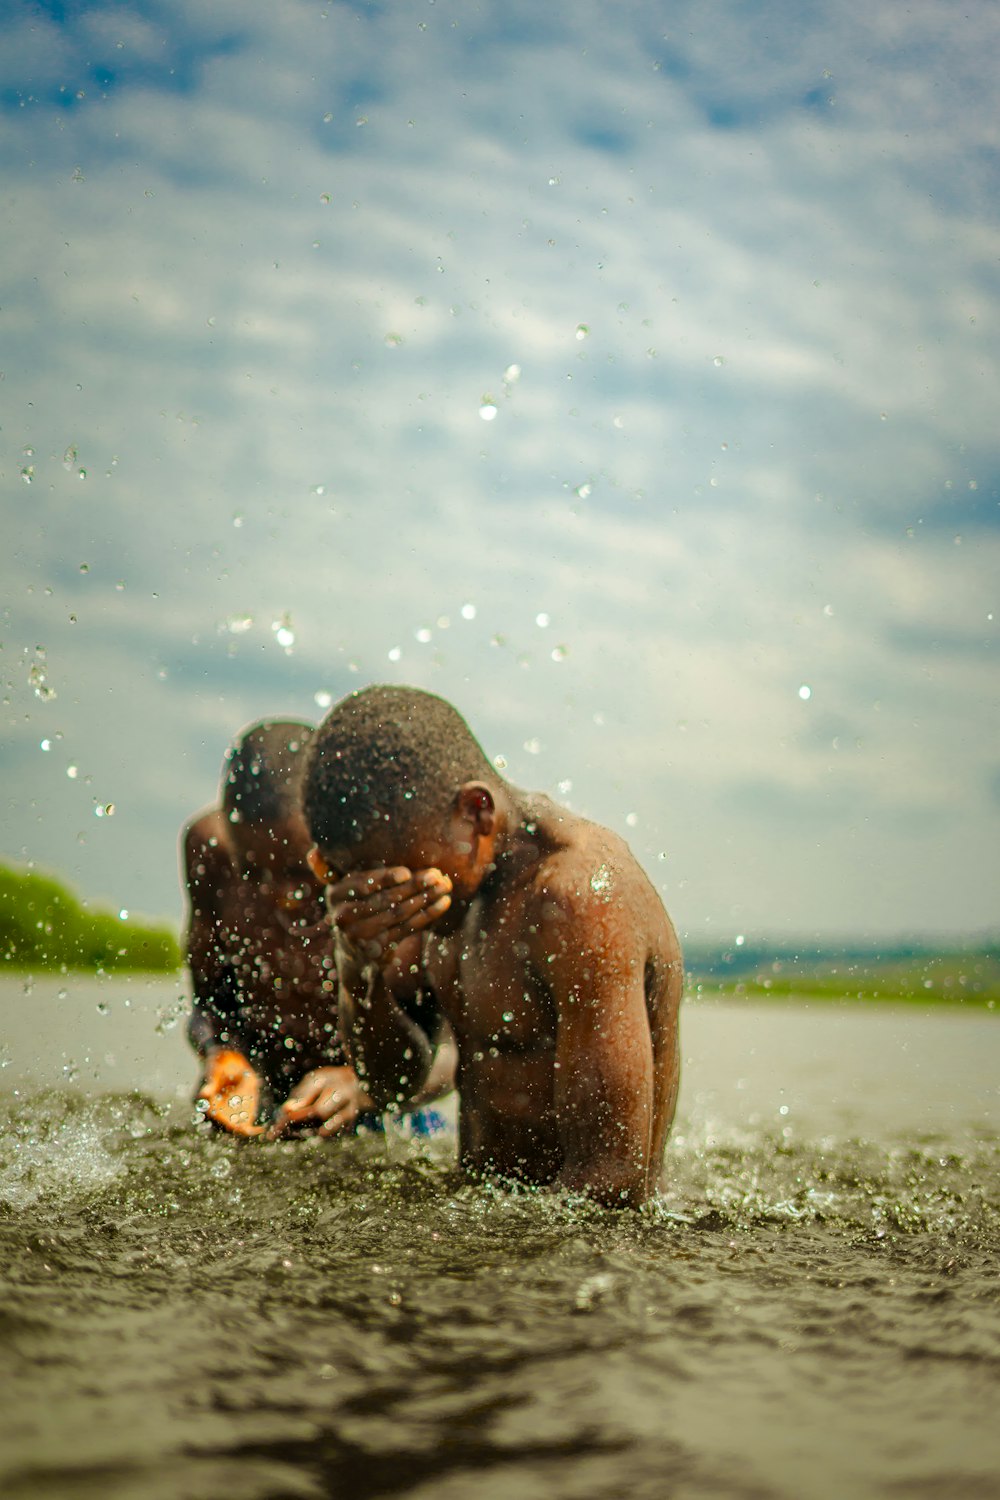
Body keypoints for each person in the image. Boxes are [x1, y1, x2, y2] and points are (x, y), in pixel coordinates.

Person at [301, 686, 682, 1207]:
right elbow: (391, 1085)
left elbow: (610, 1184)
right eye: (367, 886)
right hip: (493, 1211)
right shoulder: (442, 888)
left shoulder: (578, 899)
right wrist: (359, 968)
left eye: (400, 879)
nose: (390, 901)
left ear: (477, 813)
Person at [181, 718, 455, 1139]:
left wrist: (362, 1087)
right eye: (253, 871)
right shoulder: (209, 854)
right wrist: (223, 1057)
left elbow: (458, 1053)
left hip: (387, 1115)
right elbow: (210, 1003)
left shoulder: (398, 879)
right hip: (263, 1102)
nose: (281, 896)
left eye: (300, 871)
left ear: (340, 836)